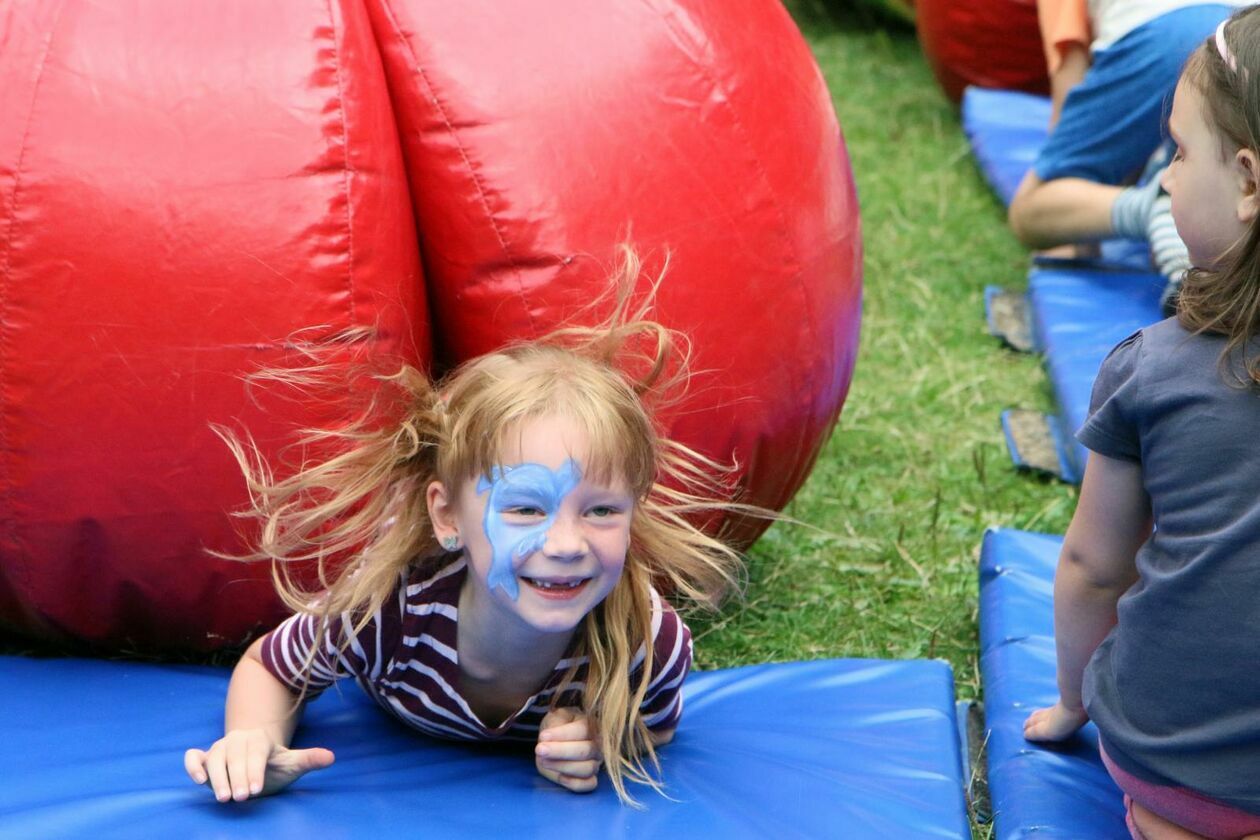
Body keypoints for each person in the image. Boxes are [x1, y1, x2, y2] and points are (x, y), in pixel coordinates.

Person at [184, 250, 753, 806]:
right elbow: (272, 666)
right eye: (525, 509)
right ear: (449, 516)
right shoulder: (387, 611)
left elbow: (657, 726)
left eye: (602, 510)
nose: (567, 544)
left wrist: (602, 740)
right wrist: (254, 739)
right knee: (392, 543)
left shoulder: (646, 641)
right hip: (420, 563)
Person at [1024, 10, 1260, 839]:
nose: (1164, 179)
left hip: (1179, 771)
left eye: (1178, 154)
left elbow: (1093, 568)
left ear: (1247, 180)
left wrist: (1071, 700)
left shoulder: (1150, 368)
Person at [1010, 1, 1246, 252]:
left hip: (1167, 35)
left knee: (1031, 210)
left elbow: (1067, 69)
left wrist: (1077, 238)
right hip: (1246, 36)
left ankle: (1158, 209)